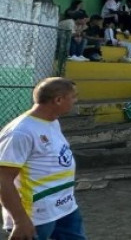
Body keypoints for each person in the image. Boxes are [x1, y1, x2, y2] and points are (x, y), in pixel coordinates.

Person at [0, 77, 87, 240]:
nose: (76, 100)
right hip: (36, 215)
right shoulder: (20, 132)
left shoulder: (52, 122)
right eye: (73, 96)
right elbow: (3, 179)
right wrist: (20, 220)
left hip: (65, 207)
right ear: (58, 100)